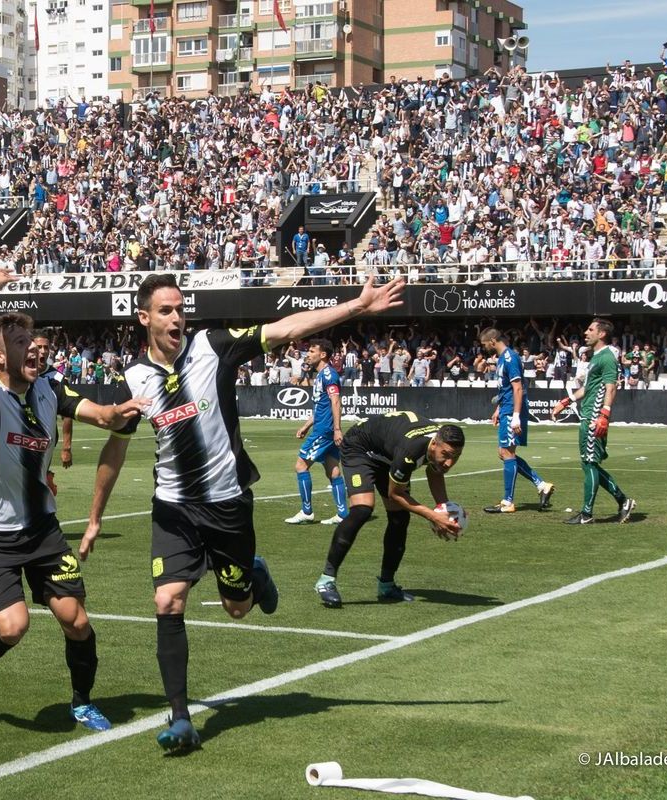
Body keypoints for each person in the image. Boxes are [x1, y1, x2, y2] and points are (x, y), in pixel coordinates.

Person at [82, 272, 404, 751]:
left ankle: (252, 572)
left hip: (227, 505)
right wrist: (94, 517)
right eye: (166, 310)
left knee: (236, 609)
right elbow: (116, 449)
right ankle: (181, 718)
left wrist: (356, 306)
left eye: (180, 308)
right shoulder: (134, 378)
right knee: (167, 602)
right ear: (144, 317)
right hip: (173, 508)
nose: (177, 317)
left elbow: (286, 329)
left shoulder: (213, 347)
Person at [0, 266, 148, 730]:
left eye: (32, 341)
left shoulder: (48, 389)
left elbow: (100, 414)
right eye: (20, 343)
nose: (33, 348)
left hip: (42, 532)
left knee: (77, 622)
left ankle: (81, 701)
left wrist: (122, 413)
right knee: (12, 628)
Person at [314, 415, 465, 609]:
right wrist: (433, 516)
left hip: (387, 452)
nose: (449, 463)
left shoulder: (435, 445)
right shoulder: (411, 451)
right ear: (434, 443)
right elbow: (395, 494)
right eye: (446, 454)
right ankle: (326, 580)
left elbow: (434, 470)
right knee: (362, 509)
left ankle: (386, 585)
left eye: (455, 457)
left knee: (400, 518)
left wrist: (444, 509)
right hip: (359, 446)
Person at [551, 318, 636, 525]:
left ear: (602, 334)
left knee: (589, 463)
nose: (585, 333)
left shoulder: (607, 357)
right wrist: (565, 401)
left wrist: (604, 415)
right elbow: (588, 388)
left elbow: (611, 387)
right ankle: (623, 501)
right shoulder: (595, 357)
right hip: (589, 414)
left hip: (594, 417)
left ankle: (587, 514)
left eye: (590, 330)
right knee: (589, 463)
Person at [479, 328, 555, 514]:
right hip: (506, 409)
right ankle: (541, 485)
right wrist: (498, 409)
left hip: (512, 411)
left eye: (485, 344)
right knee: (503, 452)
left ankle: (508, 501)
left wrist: (515, 416)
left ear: (493, 340)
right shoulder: (502, 359)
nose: (484, 348)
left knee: (507, 453)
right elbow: (506, 389)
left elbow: (518, 388)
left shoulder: (510, 358)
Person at [285, 338, 349, 526]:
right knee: (333, 471)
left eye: (312, 351)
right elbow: (322, 406)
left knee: (300, 466)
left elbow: (335, 401)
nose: (308, 355)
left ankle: (306, 511)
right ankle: (343, 513)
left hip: (325, 430)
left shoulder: (329, 375)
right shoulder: (321, 375)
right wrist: (306, 425)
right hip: (324, 427)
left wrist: (337, 429)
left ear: (323, 355)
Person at [33, 329, 75, 489]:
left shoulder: (57, 378)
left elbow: (67, 415)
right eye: (39, 347)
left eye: (46, 347)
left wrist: (66, 448)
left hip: (45, 440)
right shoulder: (19, 374)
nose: (43, 351)